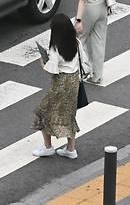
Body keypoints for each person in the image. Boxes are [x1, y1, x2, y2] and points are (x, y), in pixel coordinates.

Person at [32, 14, 86, 159]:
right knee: (69, 115)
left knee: (42, 113)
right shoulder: (75, 42)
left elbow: (53, 69)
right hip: (73, 81)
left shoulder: (56, 47)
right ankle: (70, 149)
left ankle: (48, 147)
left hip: (61, 83)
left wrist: (43, 64)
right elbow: (82, 59)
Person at [73, 0, 113, 84]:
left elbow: (82, 1)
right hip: (103, 7)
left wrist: (78, 20)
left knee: (79, 40)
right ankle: (97, 75)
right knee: (99, 42)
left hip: (90, 9)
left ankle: (84, 69)